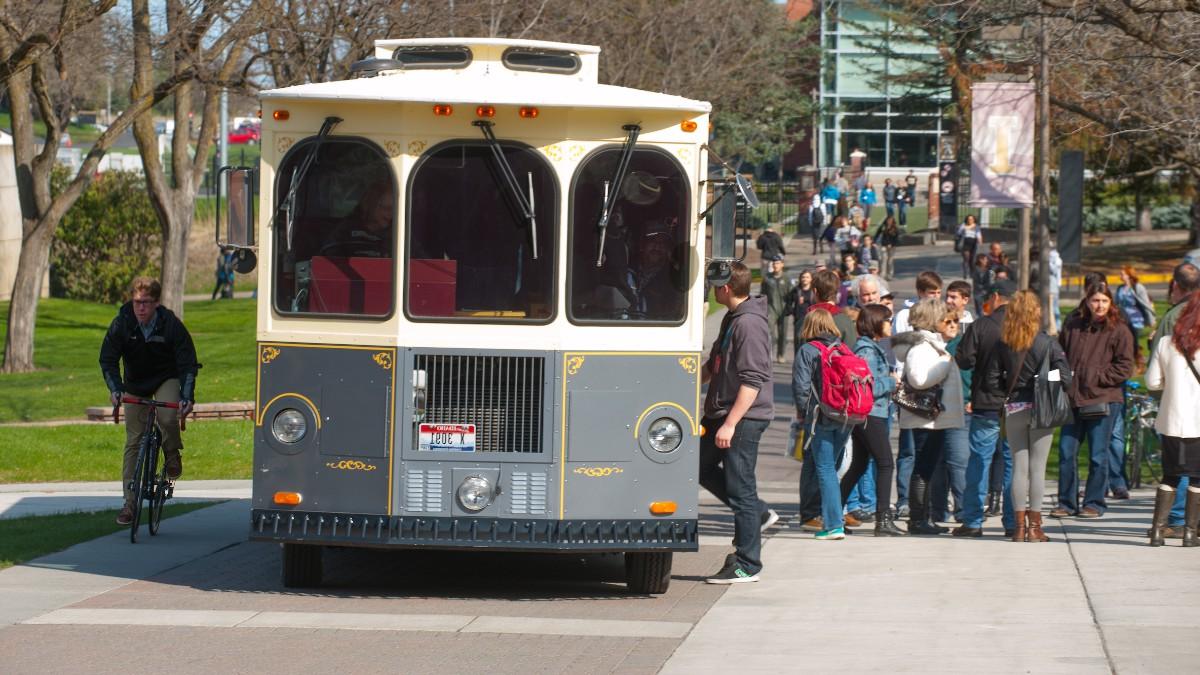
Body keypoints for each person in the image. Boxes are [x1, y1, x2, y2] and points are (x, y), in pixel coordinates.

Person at [99, 277, 201, 526]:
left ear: (156, 303)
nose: (141, 308)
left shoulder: (170, 325)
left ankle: (172, 452)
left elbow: (188, 362)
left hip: (166, 378)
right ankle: (129, 504)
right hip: (135, 384)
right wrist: (115, 389)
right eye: (137, 302)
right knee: (134, 440)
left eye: (146, 303)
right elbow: (108, 359)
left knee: (167, 417)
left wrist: (187, 396)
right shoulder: (122, 323)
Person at [700, 262, 777, 584]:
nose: (713, 291)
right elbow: (714, 364)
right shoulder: (733, 318)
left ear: (726, 289)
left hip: (743, 418)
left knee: (740, 487)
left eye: (715, 286)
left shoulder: (749, 325)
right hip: (721, 413)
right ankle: (758, 513)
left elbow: (753, 380)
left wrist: (731, 424)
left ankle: (748, 563)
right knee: (695, 464)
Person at [1052, 283, 1134, 519]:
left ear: (1111, 304)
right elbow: (1059, 354)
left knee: (1098, 455)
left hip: (1103, 398)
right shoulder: (1073, 325)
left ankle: (1094, 503)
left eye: (1104, 301)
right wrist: (1061, 376)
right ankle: (1066, 502)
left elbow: (1125, 366)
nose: (1099, 306)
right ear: (1087, 301)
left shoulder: (1118, 330)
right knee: (1067, 453)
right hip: (1072, 398)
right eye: (1095, 300)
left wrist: (1097, 376)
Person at [996, 290, 1072, 542]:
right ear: (1036, 313)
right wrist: (1043, 380)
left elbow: (995, 378)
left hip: (1015, 408)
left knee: (1019, 467)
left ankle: (1018, 527)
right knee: (1037, 470)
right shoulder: (1047, 343)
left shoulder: (1005, 343)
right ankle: (1035, 527)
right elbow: (1065, 377)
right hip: (1042, 409)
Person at [952, 279, 1018, 539]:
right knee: (1012, 464)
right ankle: (1013, 522)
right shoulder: (1025, 329)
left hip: (986, 403)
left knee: (979, 461)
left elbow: (963, 360)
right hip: (1017, 404)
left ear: (996, 297)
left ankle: (973, 520)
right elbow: (1047, 367)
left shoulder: (981, 325)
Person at [894, 298, 964, 535]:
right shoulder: (922, 347)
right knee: (923, 468)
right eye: (942, 316)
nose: (947, 321)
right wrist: (944, 364)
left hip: (932, 417)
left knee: (927, 467)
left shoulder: (929, 343)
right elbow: (919, 379)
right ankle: (917, 519)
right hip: (926, 417)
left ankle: (922, 517)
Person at [840, 304, 905, 536]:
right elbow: (863, 388)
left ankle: (833, 513)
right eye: (887, 320)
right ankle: (883, 520)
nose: (891, 325)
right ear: (876, 322)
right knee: (886, 463)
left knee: (858, 465)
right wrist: (890, 383)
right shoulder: (866, 350)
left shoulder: (870, 347)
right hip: (870, 415)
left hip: (869, 415)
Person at [792, 309, 854, 540]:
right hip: (847, 417)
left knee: (825, 469)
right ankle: (826, 516)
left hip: (821, 417)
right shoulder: (843, 348)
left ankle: (833, 524)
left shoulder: (808, 351)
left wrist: (802, 415)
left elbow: (802, 388)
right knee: (831, 468)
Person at [1145, 290, 1200, 547]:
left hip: (1171, 419)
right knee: (1198, 478)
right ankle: (1190, 533)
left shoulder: (1167, 342)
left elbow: (1152, 381)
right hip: (1197, 422)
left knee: (1170, 476)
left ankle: (1157, 531)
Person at [319, 179, 394, 258]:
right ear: (372, 205)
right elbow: (329, 260)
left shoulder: (396, 233)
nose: (391, 214)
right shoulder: (346, 231)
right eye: (387, 208)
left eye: (394, 209)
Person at [761, 257, 795, 363]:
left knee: (782, 333)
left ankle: (781, 354)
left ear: (782, 265)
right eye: (774, 263)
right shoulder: (767, 278)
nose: (776, 265)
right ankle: (769, 354)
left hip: (784, 309)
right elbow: (762, 294)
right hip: (771, 308)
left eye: (778, 263)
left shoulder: (787, 278)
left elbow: (793, 294)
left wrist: (790, 307)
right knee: (769, 332)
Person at [1115, 265, 1156, 340]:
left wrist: (1151, 320)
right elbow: (1115, 304)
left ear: (1129, 275)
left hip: (1136, 321)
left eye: (1122, 274)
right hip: (1123, 320)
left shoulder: (1137, 287)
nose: (1120, 276)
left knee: (1133, 342)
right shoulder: (1120, 288)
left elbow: (1146, 304)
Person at [787, 269, 817, 352]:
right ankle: (797, 359)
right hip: (799, 319)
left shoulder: (814, 291)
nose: (805, 279)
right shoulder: (796, 290)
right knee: (798, 339)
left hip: (811, 319)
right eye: (803, 277)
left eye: (807, 277)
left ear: (811, 279)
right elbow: (789, 301)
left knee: (809, 340)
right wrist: (792, 311)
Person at [956, 214, 982, 280]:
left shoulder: (976, 226)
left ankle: (972, 273)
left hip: (973, 244)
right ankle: (965, 273)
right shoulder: (963, 225)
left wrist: (980, 241)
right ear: (966, 220)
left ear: (974, 220)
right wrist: (964, 229)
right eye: (969, 219)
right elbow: (958, 233)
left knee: (972, 260)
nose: (970, 220)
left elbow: (979, 235)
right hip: (965, 243)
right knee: (966, 259)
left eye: (971, 219)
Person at [875, 215, 901, 281]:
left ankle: (890, 275)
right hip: (884, 246)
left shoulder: (895, 229)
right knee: (883, 260)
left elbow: (896, 239)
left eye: (890, 221)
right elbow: (877, 234)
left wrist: (891, 244)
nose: (888, 222)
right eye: (888, 221)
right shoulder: (883, 227)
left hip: (892, 247)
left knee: (890, 261)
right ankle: (882, 274)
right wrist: (874, 241)